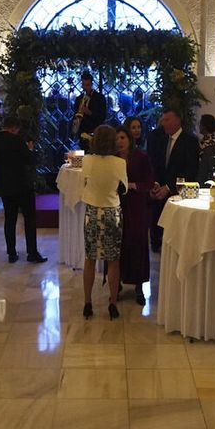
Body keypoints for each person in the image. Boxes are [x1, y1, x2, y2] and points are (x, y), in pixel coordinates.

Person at [80, 124, 129, 319]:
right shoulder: (119, 163)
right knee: (113, 261)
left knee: (90, 259)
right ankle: (113, 303)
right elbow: (124, 188)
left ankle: (87, 302)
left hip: (92, 212)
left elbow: (84, 181)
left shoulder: (87, 160)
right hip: (112, 213)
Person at [0, 116, 46, 264]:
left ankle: (11, 253)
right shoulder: (18, 141)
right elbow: (29, 160)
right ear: (14, 127)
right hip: (22, 185)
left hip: (5, 186)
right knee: (29, 219)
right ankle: (32, 252)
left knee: (10, 219)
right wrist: (31, 150)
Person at [146, 108, 199, 251]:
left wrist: (168, 187)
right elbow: (154, 164)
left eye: (167, 120)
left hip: (177, 192)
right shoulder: (160, 139)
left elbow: (191, 170)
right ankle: (156, 245)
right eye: (163, 120)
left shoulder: (190, 141)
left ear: (177, 120)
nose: (163, 123)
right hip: (159, 191)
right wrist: (156, 183)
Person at [116, 128, 155, 305]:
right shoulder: (111, 159)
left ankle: (139, 285)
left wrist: (133, 185)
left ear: (129, 140)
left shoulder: (141, 156)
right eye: (116, 138)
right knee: (118, 244)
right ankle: (116, 283)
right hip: (116, 205)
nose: (120, 141)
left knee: (138, 242)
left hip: (137, 205)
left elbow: (148, 182)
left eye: (123, 137)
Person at [72, 72, 109, 138]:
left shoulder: (99, 98)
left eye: (87, 85)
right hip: (82, 132)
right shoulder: (79, 99)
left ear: (92, 84)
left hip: (95, 131)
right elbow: (75, 114)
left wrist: (90, 113)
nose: (85, 87)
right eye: (83, 85)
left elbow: (102, 116)